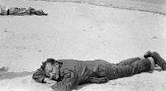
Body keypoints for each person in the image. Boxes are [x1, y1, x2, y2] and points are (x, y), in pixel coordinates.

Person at [32, 51, 166, 91]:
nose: (51, 75)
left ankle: (150, 60)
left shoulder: (67, 72)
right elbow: (38, 73)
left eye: (51, 71)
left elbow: (68, 86)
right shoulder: (58, 63)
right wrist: (45, 78)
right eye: (49, 73)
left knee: (129, 70)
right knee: (119, 66)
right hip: (97, 64)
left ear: (56, 64)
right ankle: (143, 57)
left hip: (101, 70)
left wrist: (52, 84)